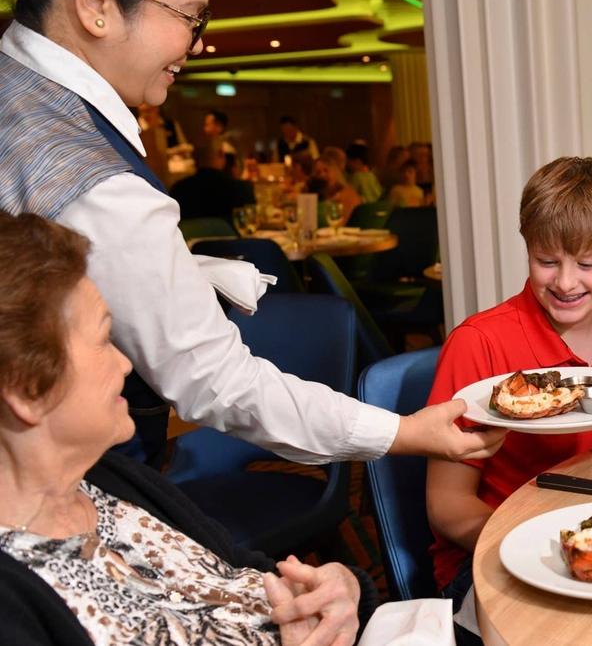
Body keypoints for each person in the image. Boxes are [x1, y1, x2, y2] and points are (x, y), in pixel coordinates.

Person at [0, 0, 504, 472]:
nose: (197, 46)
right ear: (96, 3)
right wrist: (404, 430)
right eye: (193, 16)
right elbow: (215, 381)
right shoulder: (91, 176)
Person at [0, 212, 390, 645]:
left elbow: (248, 576)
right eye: (103, 339)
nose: (125, 363)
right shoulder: (14, 604)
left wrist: (343, 590)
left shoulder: (109, 480)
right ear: (26, 391)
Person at [424, 157, 592, 640]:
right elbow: (447, 507)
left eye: (588, 264)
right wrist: (546, 550)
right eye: (547, 261)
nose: (566, 282)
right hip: (491, 554)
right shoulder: (479, 343)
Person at [168, 142, 254, 222]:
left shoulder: (178, 190)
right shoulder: (242, 189)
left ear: (195, 159)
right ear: (221, 155)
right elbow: (249, 223)